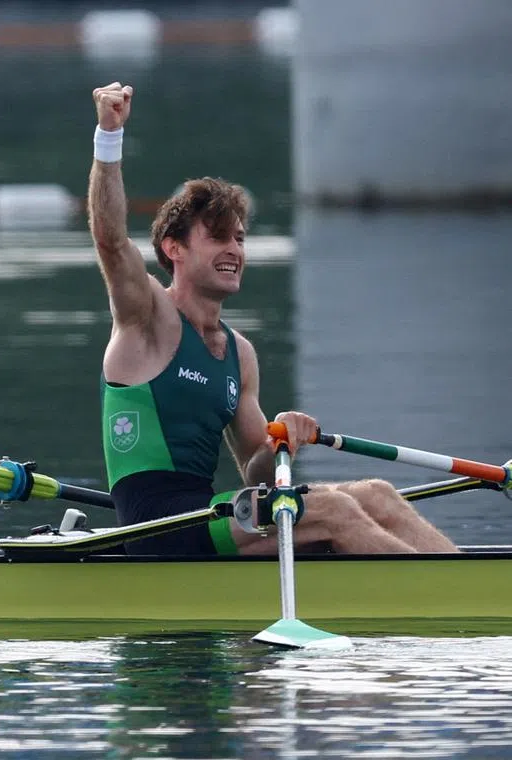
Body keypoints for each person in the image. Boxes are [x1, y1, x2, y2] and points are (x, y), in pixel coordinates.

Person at [87, 83, 458, 556]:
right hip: (156, 529)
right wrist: (109, 136)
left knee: (376, 495)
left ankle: (475, 592)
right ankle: (444, 609)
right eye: (219, 238)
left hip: (211, 515)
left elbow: (258, 472)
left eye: (239, 239)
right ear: (173, 249)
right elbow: (111, 240)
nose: (235, 251)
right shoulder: (148, 319)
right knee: (334, 510)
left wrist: (283, 440)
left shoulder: (238, 353)